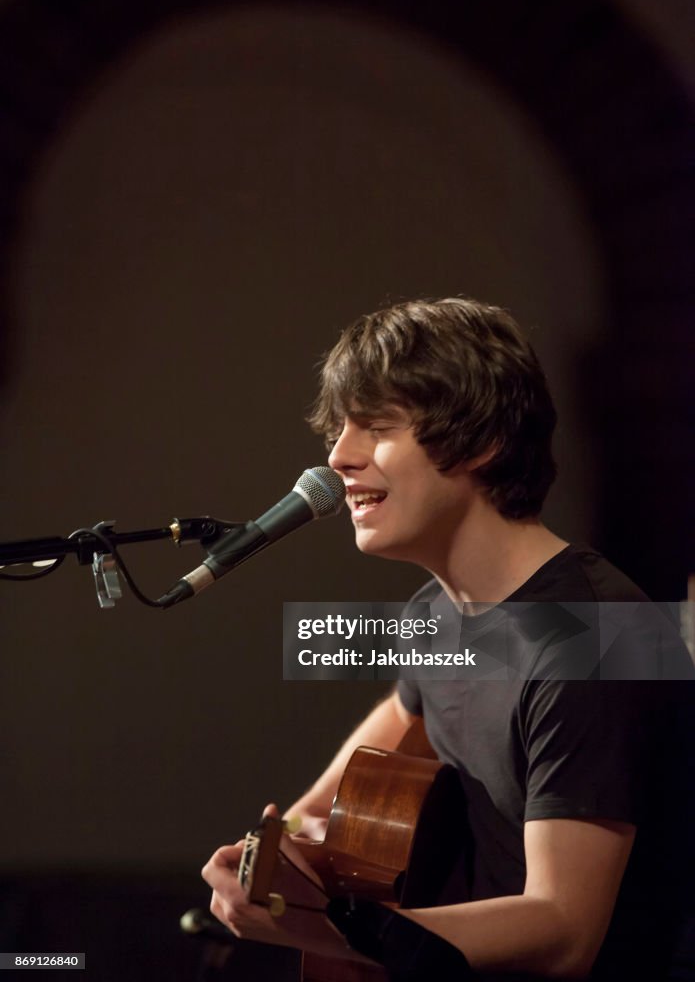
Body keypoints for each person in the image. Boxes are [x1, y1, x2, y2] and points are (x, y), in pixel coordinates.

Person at [202, 298, 694, 980]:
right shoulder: (432, 616)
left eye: (375, 428)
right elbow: (337, 796)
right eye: (339, 431)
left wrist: (331, 932)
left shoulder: (600, 636)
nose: (337, 457)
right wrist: (279, 852)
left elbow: (561, 929)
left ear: (479, 441)